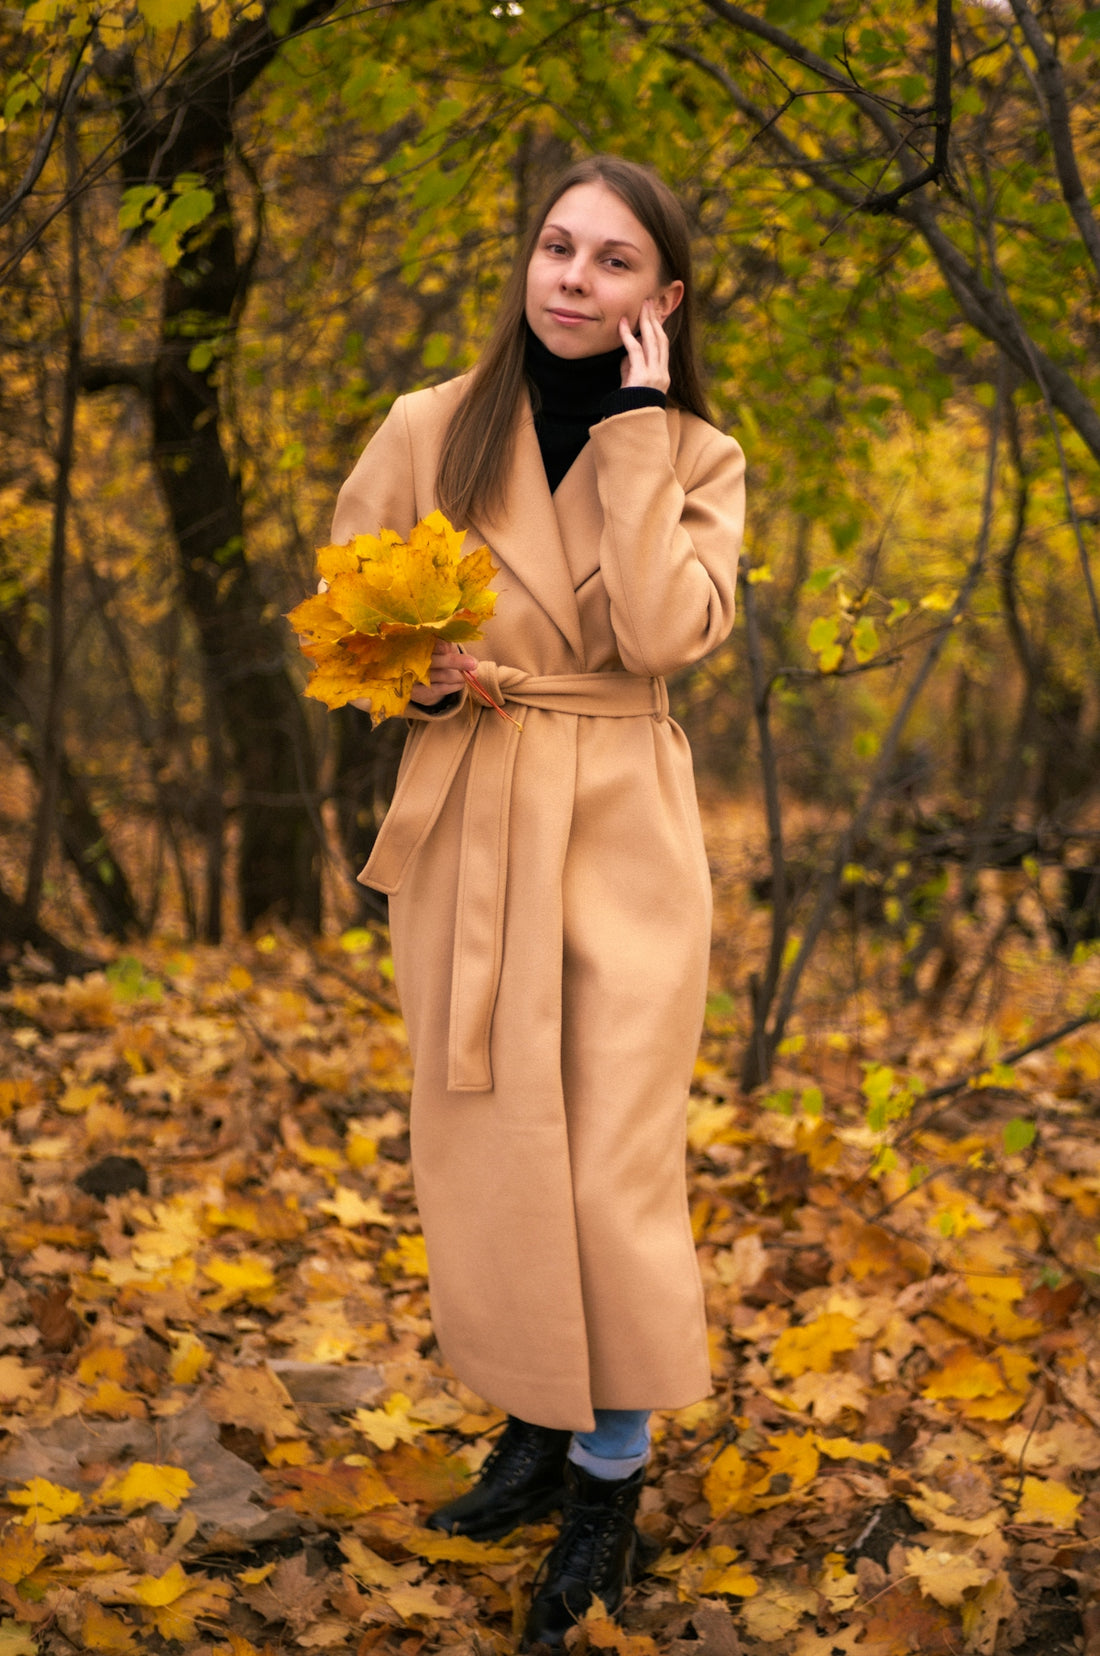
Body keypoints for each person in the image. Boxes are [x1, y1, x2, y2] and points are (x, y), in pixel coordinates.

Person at [330, 153, 745, 1649]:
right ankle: (534, 1424)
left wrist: (633, 438)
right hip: (475, 812)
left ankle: (608, 1485)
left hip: (623, 825)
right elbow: (348, 614)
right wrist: (420, 678)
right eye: (557, 247)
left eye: (612, 260)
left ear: (662, 298)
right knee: (497, 1144)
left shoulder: (697, 454)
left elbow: (663, 633)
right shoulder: (428, 426)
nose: (572, 277)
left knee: (607, 1165)